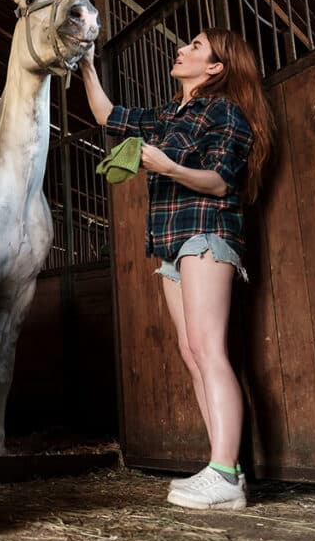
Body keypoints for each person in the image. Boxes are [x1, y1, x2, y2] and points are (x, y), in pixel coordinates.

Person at [81, 28, 273, 510]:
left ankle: (226, 473)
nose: (182, 50)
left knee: (210, 350)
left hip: (206, 232)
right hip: (169, 245)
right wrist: (84, 62)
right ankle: (221, 471)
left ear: (215, 68)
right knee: (192, 354)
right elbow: (108, 116)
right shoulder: (169, 114)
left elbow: (219, 182)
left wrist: (168, 167)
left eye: (195, 47)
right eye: (186, 44)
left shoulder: (225, 111)